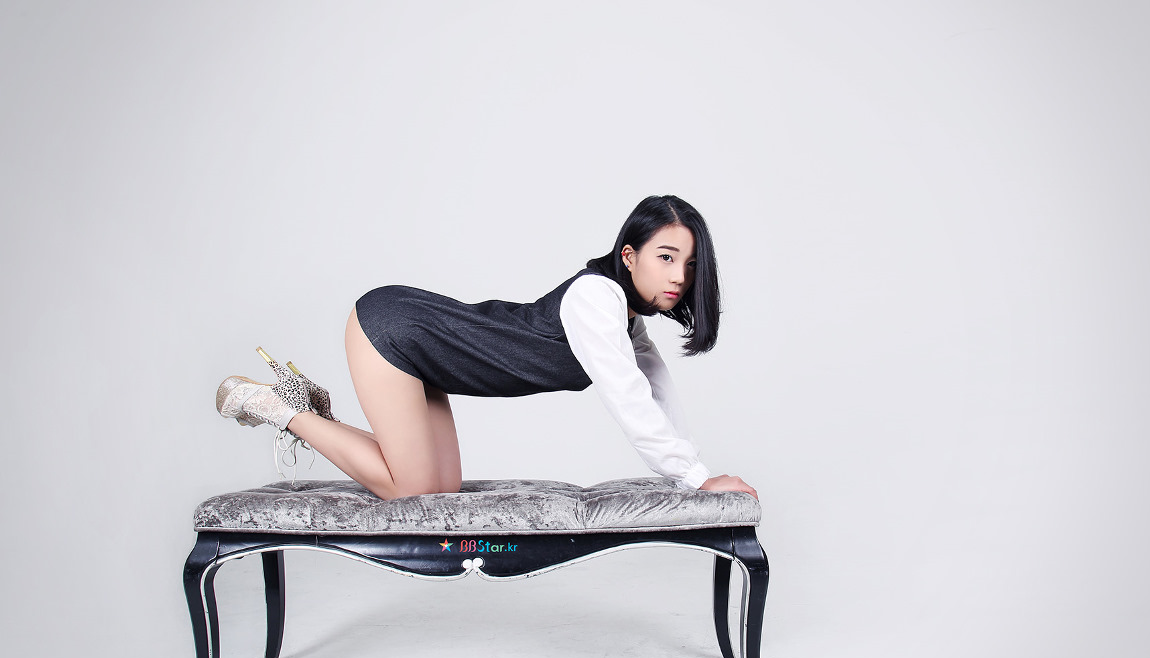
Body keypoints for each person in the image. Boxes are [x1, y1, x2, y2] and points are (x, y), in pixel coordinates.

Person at [216, 195, 757, 501]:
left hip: (429, 351)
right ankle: (275, 407)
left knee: (440, 490)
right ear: (629, 256)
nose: (680, 276)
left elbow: (657, 393)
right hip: (395, 329)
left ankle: (312, 413)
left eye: (689, 264)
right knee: (412, 492)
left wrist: (696, 474)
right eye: (666, 257)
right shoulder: (596, 298)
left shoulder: (626, 321)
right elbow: (629, 400)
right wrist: (696, 479)